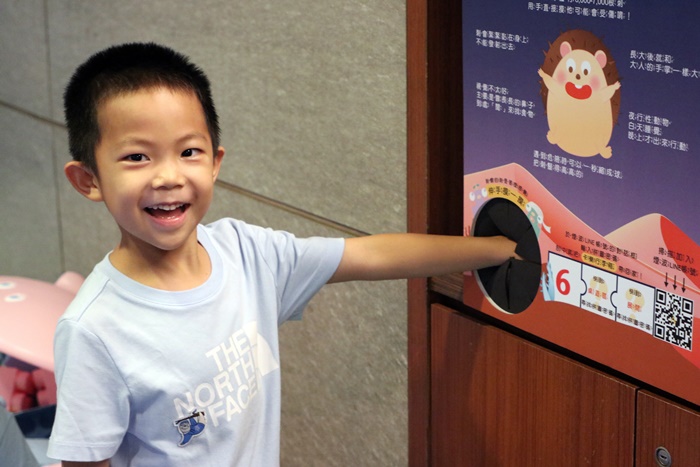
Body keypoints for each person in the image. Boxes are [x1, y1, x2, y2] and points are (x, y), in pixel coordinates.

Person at [47, 43, 518, 466]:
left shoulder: (246, 253)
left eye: (188, 151)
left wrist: (494, 249)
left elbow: (371, 256)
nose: (169, 176)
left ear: (215, 162)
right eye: (137, 157)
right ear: (88, 180)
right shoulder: (94, 330)